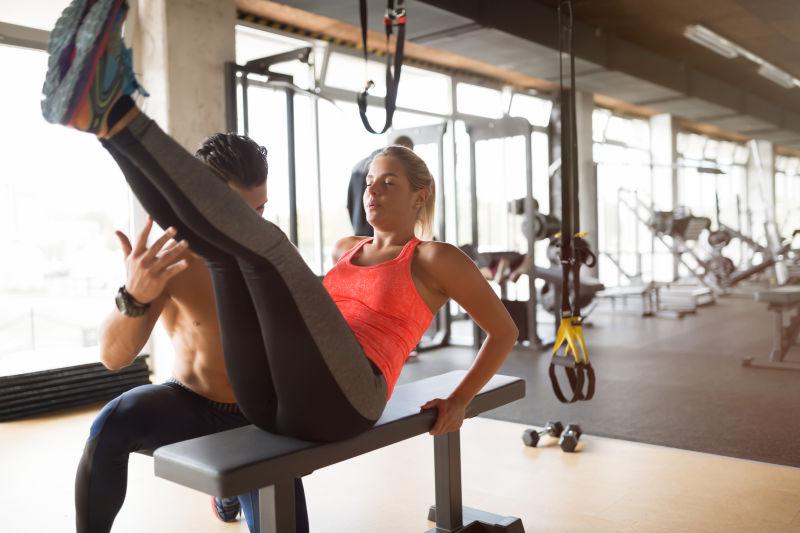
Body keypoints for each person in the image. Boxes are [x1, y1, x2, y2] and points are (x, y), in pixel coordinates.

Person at [41, 2, 519, 532]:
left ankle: (115, 117)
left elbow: (500, 329)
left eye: (390, 183)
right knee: (223, 262)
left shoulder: (432, 257)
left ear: (419, 195)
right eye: (370, 182)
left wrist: (459, 399)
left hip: (326, 395)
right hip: (261, 398)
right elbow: (116, 355)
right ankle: (105, 120)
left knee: (254, 250)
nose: (374, 191)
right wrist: (133, 294)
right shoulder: (334, 249)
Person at [83, 133, 308, 533]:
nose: (251, 224)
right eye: (239, 212)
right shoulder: (170, 257)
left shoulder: (274, 246)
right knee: (111, 423)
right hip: (190, 404)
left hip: (259, 417)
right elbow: (112, 357)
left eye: (260, 209)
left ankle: (228, 491)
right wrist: (133, 296)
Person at [348, 135, 414, 236]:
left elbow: (350, 203)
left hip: (361, 228)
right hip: (373, 230)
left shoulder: (361, 166)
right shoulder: (383, 166)